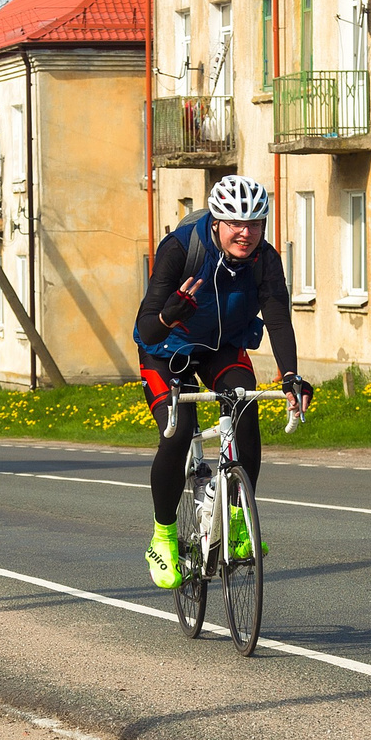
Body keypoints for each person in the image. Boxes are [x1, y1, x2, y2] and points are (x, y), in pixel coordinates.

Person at [133, 174, 313, 589]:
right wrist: (170, 313)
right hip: (167, 350)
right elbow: (147, 327)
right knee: (177, 435)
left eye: (255, 224)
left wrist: (290, 378)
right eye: (236, 223)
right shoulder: (180, 249)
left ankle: (236, 515)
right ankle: (162, 537)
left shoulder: (265, 260)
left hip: (222, 346)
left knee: (244, 411)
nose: (246, 233)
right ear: (216, 221)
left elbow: (278, 317)